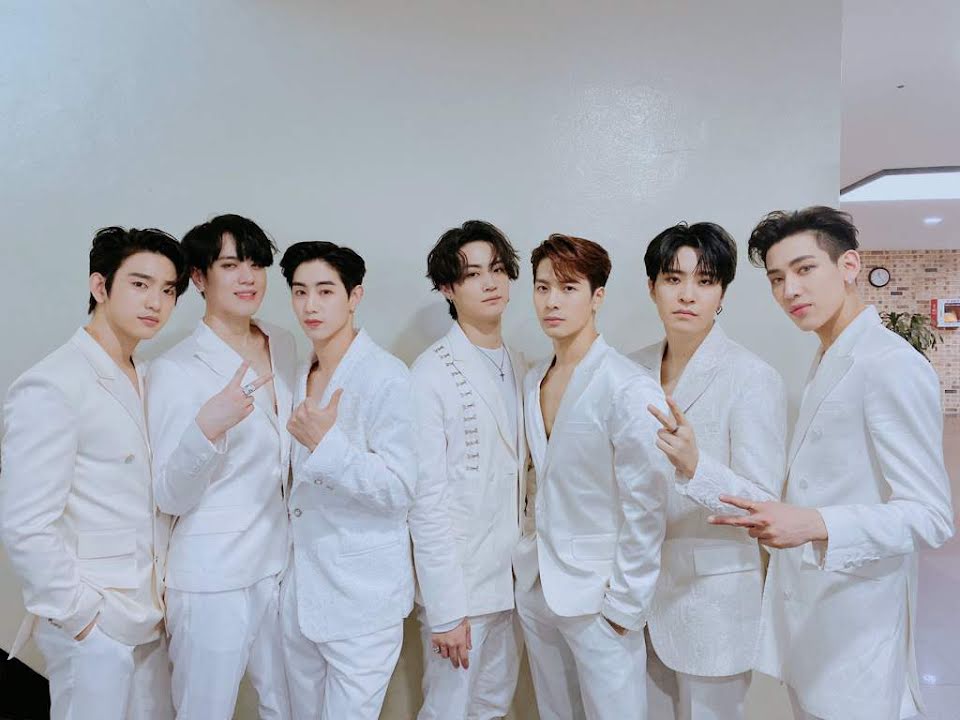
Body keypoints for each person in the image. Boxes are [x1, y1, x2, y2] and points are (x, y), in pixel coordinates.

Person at [711, 206, 954, 720]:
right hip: (814, 613)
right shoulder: (829, 354)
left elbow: (931, 517)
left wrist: (816, 523)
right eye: (777, 278)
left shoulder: (890, 364)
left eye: (804, 269)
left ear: (848, 266)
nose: (790, 290)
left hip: (858, 625)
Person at [1, 226, 188, 720]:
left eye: (168, 290)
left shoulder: (149, 377)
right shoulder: (52, 385)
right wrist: (83, 619)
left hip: (150, 615)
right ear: (100, 286)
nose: (156, 302)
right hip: (94, 621)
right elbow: (24, 523)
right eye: (140, 284)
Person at [630, 222, 787, 720]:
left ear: (722, 293)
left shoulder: (752, 377)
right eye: (673, 279)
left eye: (705, 280)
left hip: (713, 603)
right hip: (632, 598)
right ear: (652, 287)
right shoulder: (627, 371)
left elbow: (764, 504)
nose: (687, 295)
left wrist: (696, 467)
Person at [514, 233, 670, 720]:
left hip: (600, 594)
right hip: (537, 582)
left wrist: (626, 604)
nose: (552, 301)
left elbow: (647, 504)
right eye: (542, 288)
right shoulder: (532, 378)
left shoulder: (627, 385)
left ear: (597, 296)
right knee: (554, 711)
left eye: (568, 288)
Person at [145, 214, 294, 720]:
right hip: (212, 576)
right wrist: (206, 429)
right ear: (199, 277)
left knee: (286, 706)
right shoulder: (174, 369)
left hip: (279, 564)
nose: (248, 277)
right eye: (230, 265)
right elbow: (168, 494)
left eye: (256, 264)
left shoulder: (282, 342)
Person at [278, 241, 416, 720]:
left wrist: (328, 448)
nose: (310, 305)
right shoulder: (299, 372)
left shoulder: (387, 376)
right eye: (299, 292)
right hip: (301, 594)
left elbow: (400, 487)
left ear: (354, 296)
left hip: (362, 599)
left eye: (325, 291)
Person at [408, 220, 527, 719]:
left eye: (497, 269)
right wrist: (446, 609)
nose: (490, 283)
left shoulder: (523, 365)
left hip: (512, 580)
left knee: (493, 707)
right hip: (461, 586)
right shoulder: (430, 372)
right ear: (447, 288)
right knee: (448, 709)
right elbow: (425, 502)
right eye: (473, 274)